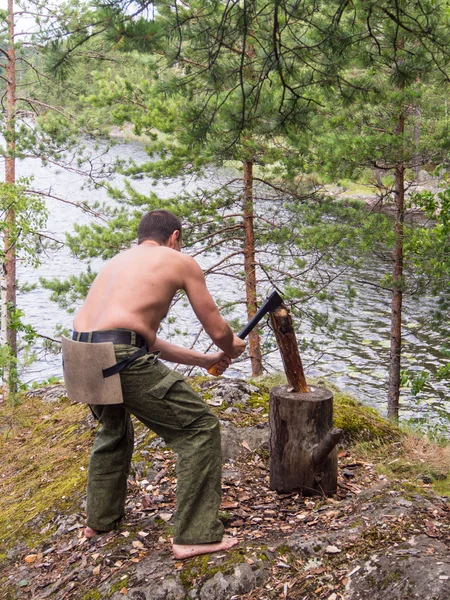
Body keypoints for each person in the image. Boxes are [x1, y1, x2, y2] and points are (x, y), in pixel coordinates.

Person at [72, 209, 246, 559]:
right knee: (199, 428)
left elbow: (141, 339)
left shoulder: (118, 262)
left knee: (113, 430)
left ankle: (99, 520)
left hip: (79, 354)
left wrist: (206, 359)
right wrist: (232, 347)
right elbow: (219, 330)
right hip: (117, 354)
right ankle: (195, 536)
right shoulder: (179, 261)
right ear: (175, 237)